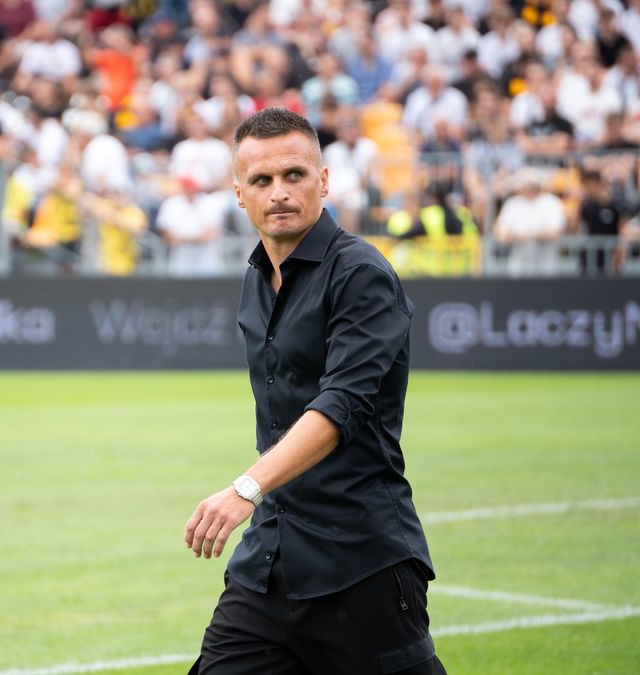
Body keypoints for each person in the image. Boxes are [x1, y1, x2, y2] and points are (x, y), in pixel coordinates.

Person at [183, 107, 444, 674]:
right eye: (262, 180)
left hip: (361, 562)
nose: (279, 192)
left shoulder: (361, 274)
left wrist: (244, 489)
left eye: (294, 175)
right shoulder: (256, 277)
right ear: (239, 193)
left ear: (323, 180)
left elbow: (340, 405)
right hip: (271, 557)